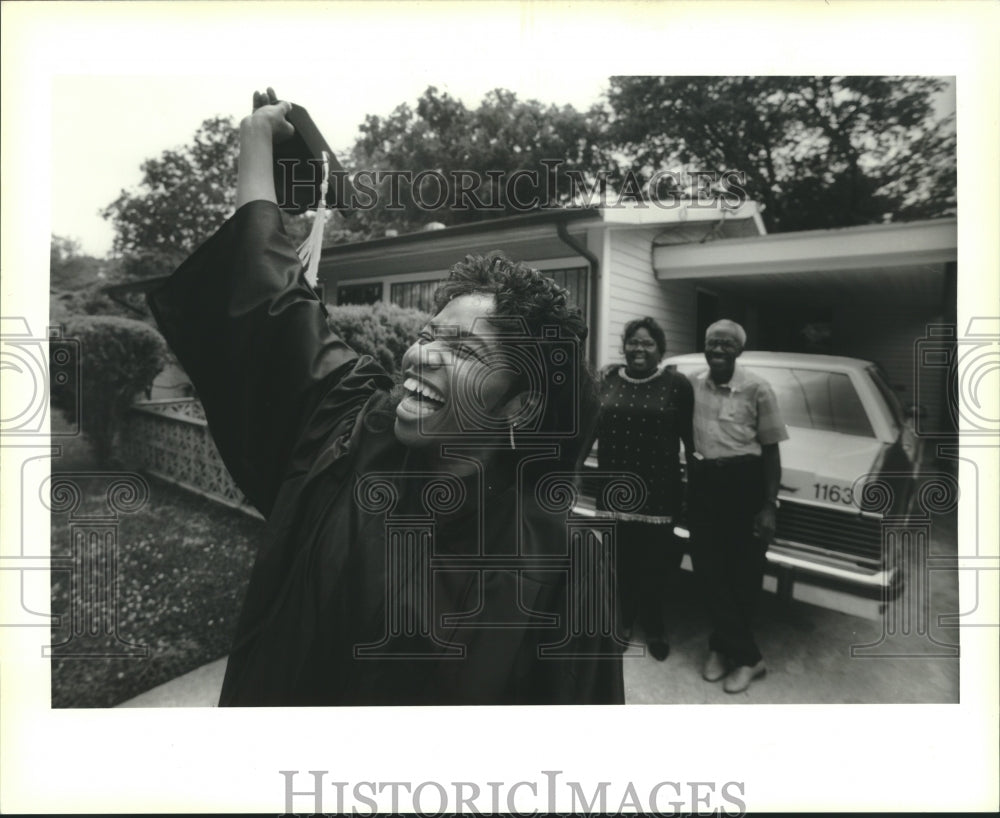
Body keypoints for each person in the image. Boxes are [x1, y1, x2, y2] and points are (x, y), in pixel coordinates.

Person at [147, 90, 624, 705]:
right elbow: (269, 307)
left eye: (464, 350)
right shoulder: (349, 433)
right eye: (429, 334)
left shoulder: (564, 565)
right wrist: (256, 142)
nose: (420, 354)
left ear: (520, 406)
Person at [686, 319, 787, 694]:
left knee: (742, 576)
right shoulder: (693, 384)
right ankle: (737, 651)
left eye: (727, 344)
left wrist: (769, 505)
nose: (718, 349)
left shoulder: (757, 388)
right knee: (709, 572)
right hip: (705, 486)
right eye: (713, 342)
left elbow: (772, 450)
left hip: (745, 486)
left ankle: (736, 655)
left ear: (739, 350)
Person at [594, 318, 693, 661]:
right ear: (624, 346)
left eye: (648, 343)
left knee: (656, 564)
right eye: (633, 342)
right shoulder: (606, 379)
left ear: (660, 349)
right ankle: (622, 621)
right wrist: (574, 469)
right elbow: (592, 428)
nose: (639, 349)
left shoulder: (677, 384)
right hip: (613, 486)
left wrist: (693, 486)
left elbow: (690, 439)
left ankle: (654, 625)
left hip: (658, 489)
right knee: (619, 560)